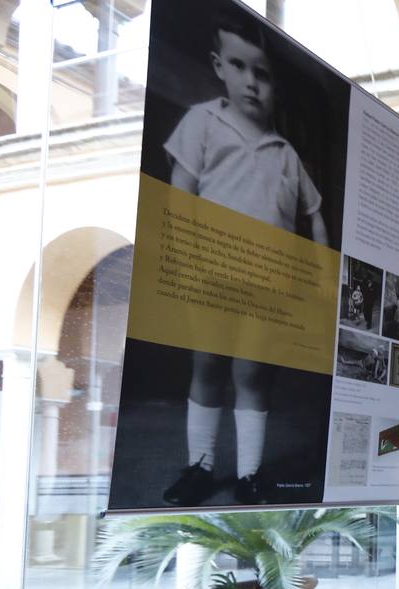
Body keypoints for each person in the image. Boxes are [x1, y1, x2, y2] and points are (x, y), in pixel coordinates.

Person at [159, 9, 329, 508]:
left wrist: (321, 275)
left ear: (274, 84)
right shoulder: (202, 123)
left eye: (262, 74)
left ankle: (249, 475)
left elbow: (314, 216)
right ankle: (200, 466)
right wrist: (183, 255)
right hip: (212, 271)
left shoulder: (285, 154)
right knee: (208, 364)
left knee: (251, 373)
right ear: (219, 67)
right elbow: (181, 191)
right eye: (240, 67)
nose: (251, 82)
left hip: (268, 284)